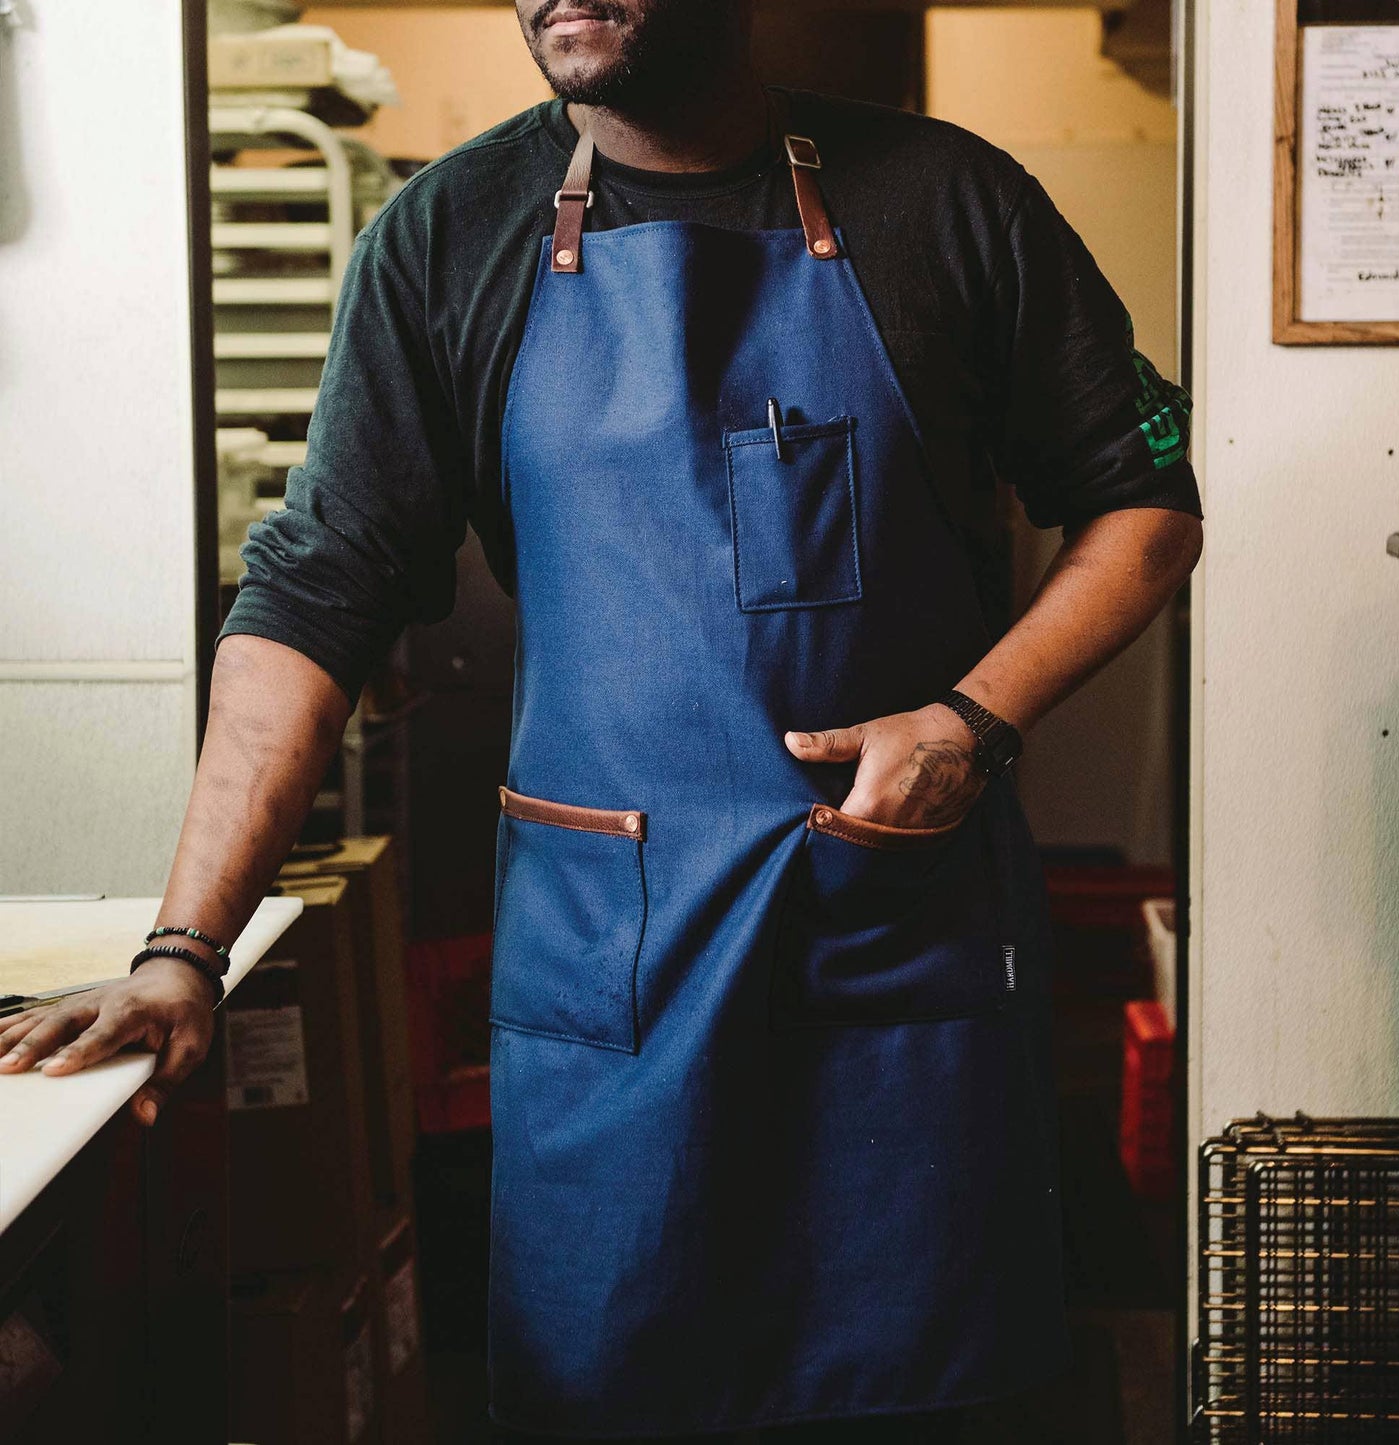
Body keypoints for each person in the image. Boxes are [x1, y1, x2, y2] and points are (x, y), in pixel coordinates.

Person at [0, 1, 1203, 1439]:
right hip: (611, 963)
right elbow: (312, 600)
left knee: (923, 1396)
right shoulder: (446, 235)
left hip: (893, 948)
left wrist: (972, 720)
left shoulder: (950, 202)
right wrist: (181, 950)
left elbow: (1144, 504)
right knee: (615, 1378)